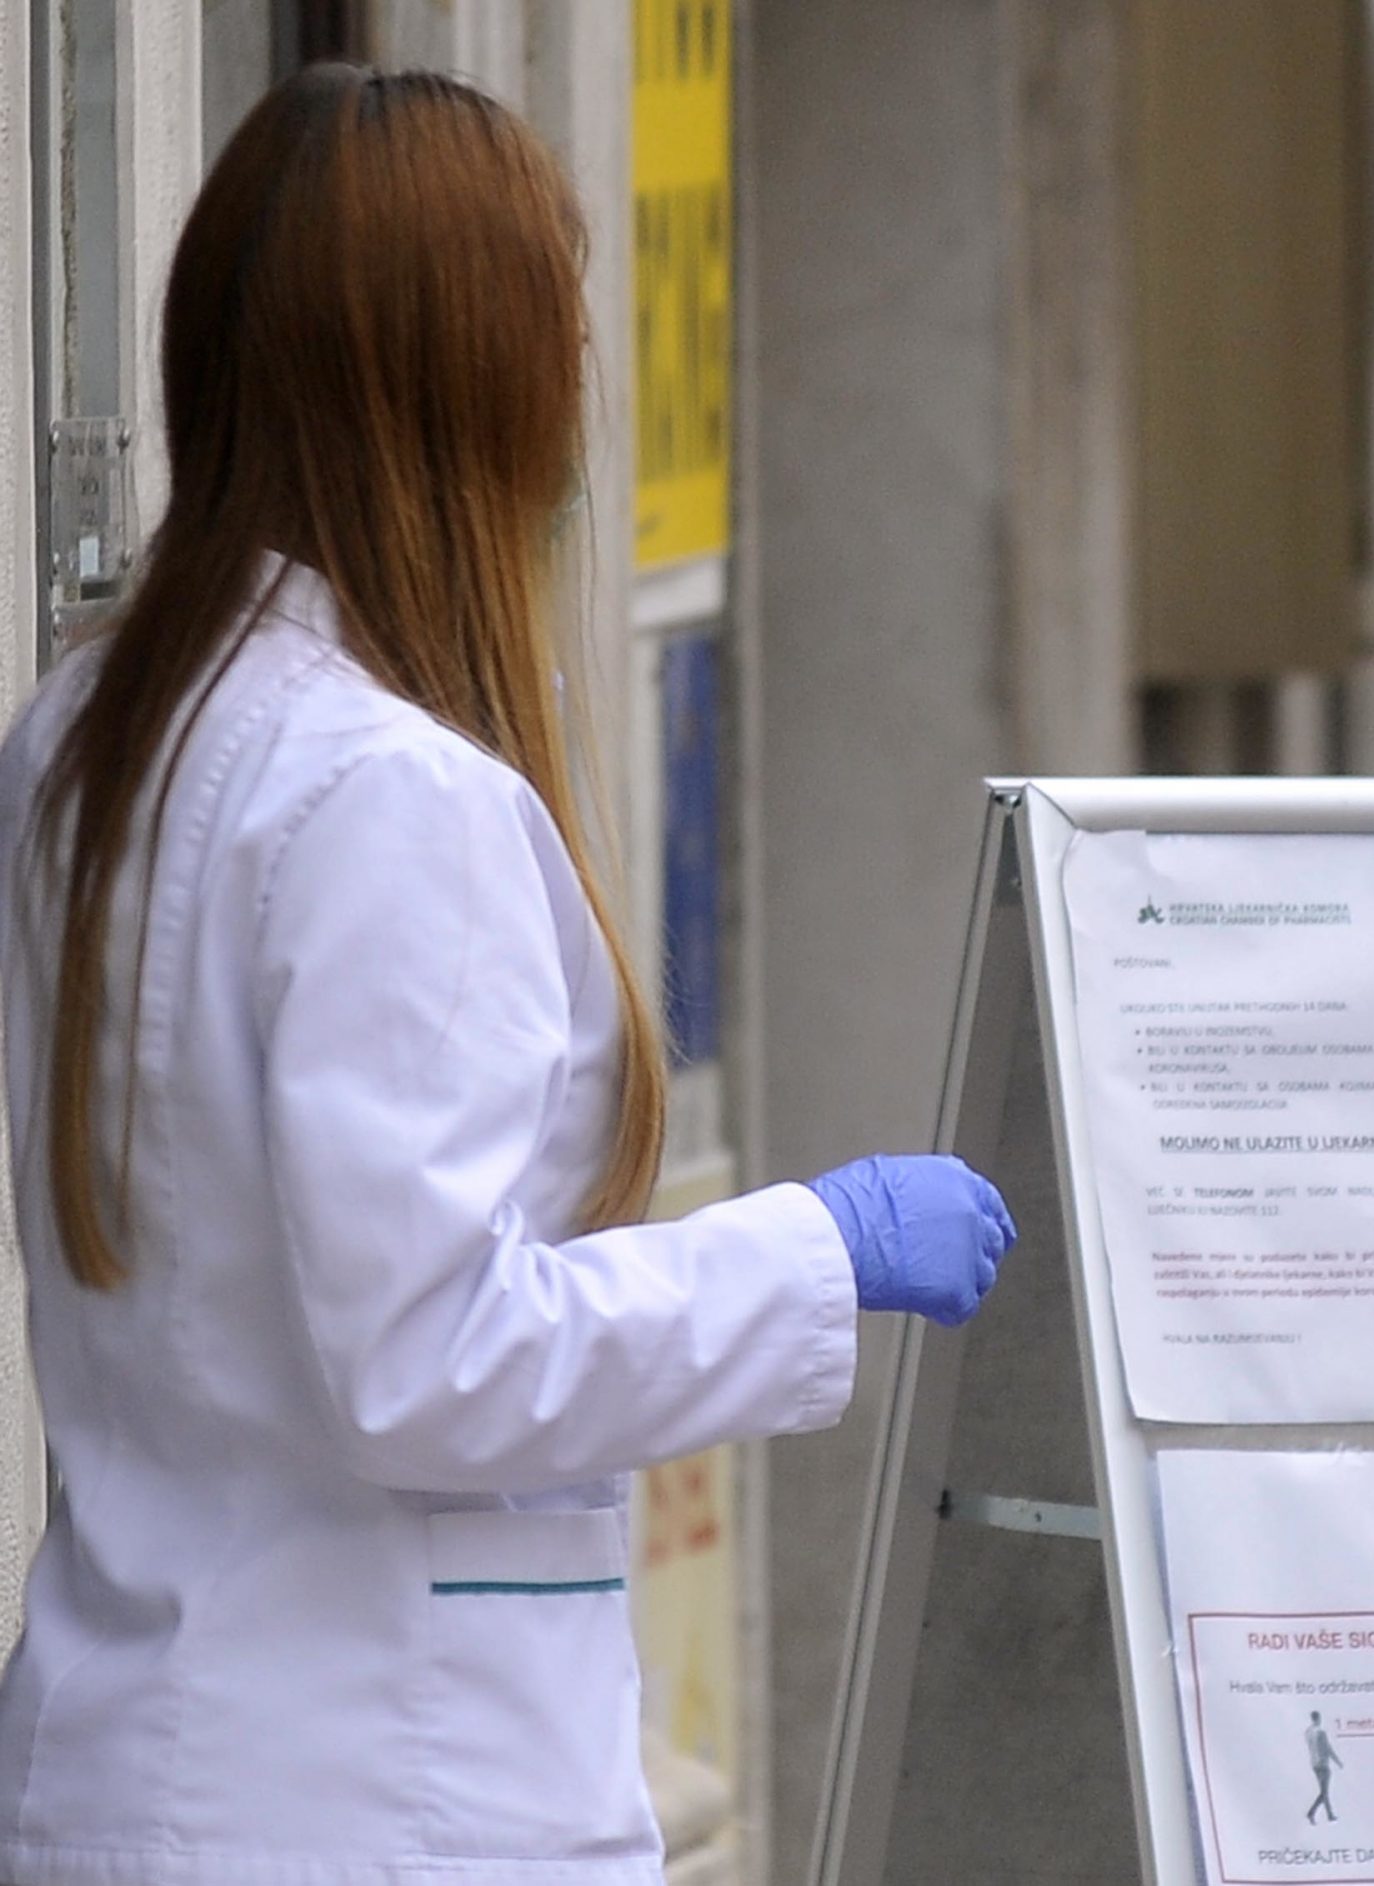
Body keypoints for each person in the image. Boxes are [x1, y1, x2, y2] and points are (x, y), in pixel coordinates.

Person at [0, 67, 1015, 1886]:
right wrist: (815, 1245)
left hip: (140, 1757)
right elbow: (433, 1360)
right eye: (560, 314)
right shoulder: (393, 796)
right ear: (475, 372)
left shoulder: (85, 735)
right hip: (381, 1799)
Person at [1306, 1710, 1343, 1823]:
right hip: (1323, 1763)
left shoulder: (1308, 1732)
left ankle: (1329, 1815)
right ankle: (1312, 1813)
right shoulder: (1321, 1732)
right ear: (1318, 1718)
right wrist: (1338, 1761)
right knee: (1324, 1792)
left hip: (1314, 1763)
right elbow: (1327, 1749)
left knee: (1324, 1791)